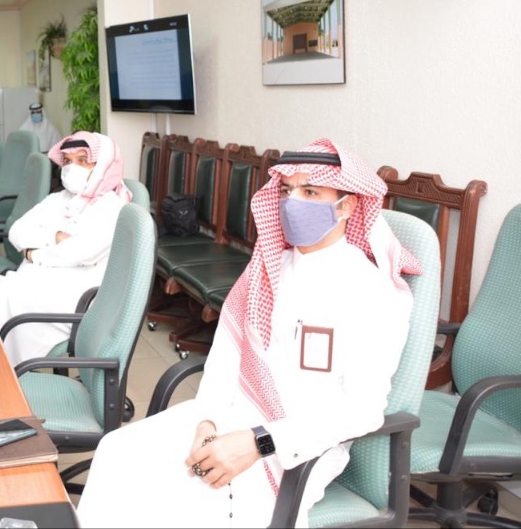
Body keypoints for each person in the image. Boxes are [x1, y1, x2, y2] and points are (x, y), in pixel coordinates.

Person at [77, 138, 420, 529]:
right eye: (287, 191)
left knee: (190, 498)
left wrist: (259, 442)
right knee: (119, 451)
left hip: (299, 444)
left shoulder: (374, 292)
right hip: (229, 416)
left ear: (347, 206)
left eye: (311, 192)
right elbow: (226, 357)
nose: (293, 203)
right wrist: (207, 422)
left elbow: (361, 410)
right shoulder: (266, 269)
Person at [0, 131, 132, 367]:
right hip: (36, 281)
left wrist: (33, 253)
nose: (72, 167)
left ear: (102, 165)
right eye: (67, 161)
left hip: (72, 295)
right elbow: (17, 231)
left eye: (82, 160)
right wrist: (55, 236)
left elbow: (81, 252)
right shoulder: (59, 199)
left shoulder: (113, 207)